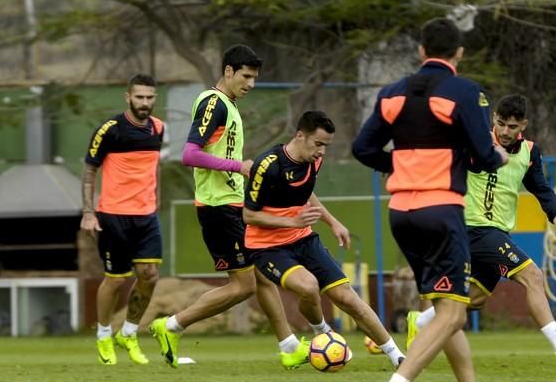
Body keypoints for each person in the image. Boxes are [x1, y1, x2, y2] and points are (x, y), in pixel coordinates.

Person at [352, 17, 509, 382]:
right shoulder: (465, 91)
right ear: (459, 53)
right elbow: (484, 156)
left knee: (443, 307)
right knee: (455, 312)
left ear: (421, 50)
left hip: (401, 214)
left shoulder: (391, 93)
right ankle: (400, 379)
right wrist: (499, 157)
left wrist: (399, 162)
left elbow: (363, 147)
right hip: (440, 212)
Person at [406, 94, 556, 366]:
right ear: (493, 118)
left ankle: (421, 320)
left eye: (512, 126)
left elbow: (539, 186)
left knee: (476, 298)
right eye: (500, 123)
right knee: (532, 275)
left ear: (524, 125)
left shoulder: (530, 152)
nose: (505, 131)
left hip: (498, 233)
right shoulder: (477, 144)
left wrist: (555, 212)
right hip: (474, 229)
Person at [150, 44, 308, 370]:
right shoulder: (214, 103)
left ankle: (289, 345)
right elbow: (190, 155)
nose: (250, 83)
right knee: (245, 285)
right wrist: (240, 167)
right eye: (246, 76)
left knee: (261, 276)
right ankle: (170, 325)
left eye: (254, 78)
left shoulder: (229, 105)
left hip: (233, 204)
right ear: (228, 72)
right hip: (219, 207)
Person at [242, 110, 406, 369]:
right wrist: (291, 222)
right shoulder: (268, 165)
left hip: (303, 238)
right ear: (299, 136)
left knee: (347, 298)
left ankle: (397, 356)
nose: (322, 152)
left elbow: (307, 194)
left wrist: (332, 222)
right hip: (266, 248)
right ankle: (323, 332)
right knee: (308, 286)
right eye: (318, 144)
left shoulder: (314, 160)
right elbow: (249, 215)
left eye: (326, 146)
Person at [81, 74, 164, 365]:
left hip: (147, 216)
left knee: (150, 276)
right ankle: (104, 335)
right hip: (113, 215)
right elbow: (90, 170)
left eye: (149, 97)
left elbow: (156, 166)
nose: (145, 102)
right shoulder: (110, 130)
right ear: (127, 97)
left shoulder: (158, 128)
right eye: (139, 97)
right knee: (116, 281)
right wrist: (89, 213)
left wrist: (158, 199)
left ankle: (128, 333)